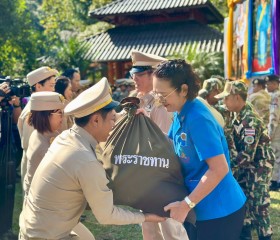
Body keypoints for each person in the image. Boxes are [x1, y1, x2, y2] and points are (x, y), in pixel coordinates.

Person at [19, 77, 164, 240]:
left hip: (37, 227)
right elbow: (106, 215)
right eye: (111, 119)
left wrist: (129, 116)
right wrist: (147, 216)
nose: (113, 125)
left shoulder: (67, 137)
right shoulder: (84, 159)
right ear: (95, 120)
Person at [153, 59, 246, 240]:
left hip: (219, 210)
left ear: (184, 90)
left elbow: (219, 168)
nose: (159, 100)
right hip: (201, 207)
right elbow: (172, 143)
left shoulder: (198, 118)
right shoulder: (181, 112)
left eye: (163, 95)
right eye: (156, 94)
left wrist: (186, 204)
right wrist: (143, 127)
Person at [130, 50, 189, 240]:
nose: (135, 79)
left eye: (140, 74)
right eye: (134, 74)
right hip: (145, 175)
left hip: (162, 176)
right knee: (149, 228)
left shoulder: (160, 104)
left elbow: (168, 144)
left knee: (169, 229)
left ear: (153, 74)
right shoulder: (140, 100)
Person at [215, 80, 274, 240]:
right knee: (243, 204)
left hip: (258, 168)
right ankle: (245, 235)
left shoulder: (249, 121)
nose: (224, 101)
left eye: (227, 98)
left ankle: (265, 236)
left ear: (236, 98)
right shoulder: (236, 116)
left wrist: (226, 169)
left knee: (258, 205)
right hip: (244, 167)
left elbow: (247, 155)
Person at [17, 66, 58, 185]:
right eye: (51, 86)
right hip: (35, 166)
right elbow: (31, 146)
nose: (54, 90)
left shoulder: (40, 108)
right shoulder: (32, 112)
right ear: (38, 86)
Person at [23, 92, 65, 200]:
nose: (63, 117)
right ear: (46, 116)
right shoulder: (43, 147)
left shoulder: (43, 134)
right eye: (60, 113)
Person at [266, 75, 280, 191]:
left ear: (275, 84)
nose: (267, 86)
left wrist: (270, 133)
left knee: (275, 155)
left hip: (277, 130)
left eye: (269, 83)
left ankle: (274, 181)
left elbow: (274, 116)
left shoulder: (276, 96)